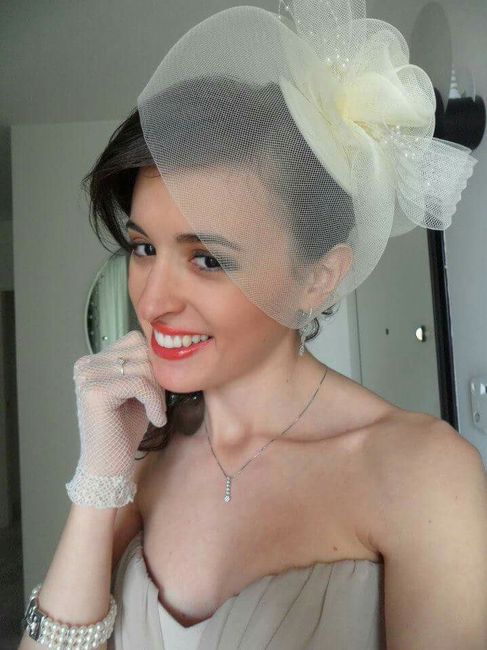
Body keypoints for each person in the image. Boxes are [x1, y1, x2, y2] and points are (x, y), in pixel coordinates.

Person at [20, 0, 487, 648]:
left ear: (317, 277)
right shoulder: (142, 456)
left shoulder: (423, 473)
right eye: (143, 247)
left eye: (208, 259)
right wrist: (99, 478)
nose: (153, 300)